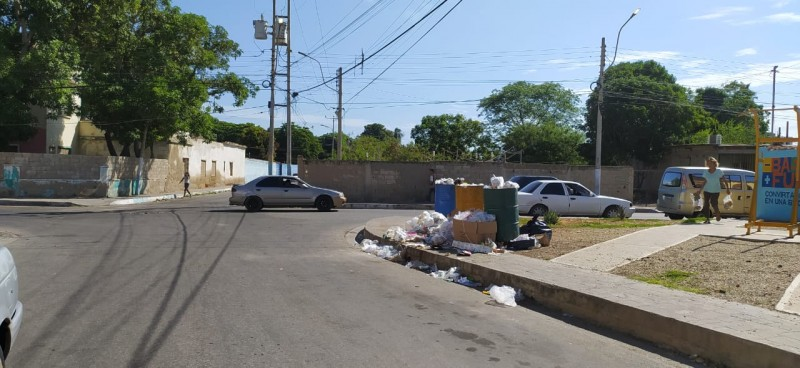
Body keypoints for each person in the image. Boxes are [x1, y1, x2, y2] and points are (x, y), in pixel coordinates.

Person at [695, 157, 730, 224]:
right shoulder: (705, 172)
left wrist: (727, 189)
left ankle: (717, 213)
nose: (708, 164)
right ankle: (707, 219)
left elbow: (724, 180)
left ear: (714, 164)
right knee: (706, 205)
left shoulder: (719, 171)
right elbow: (704, 181)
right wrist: (700, 190)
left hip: (715, 190)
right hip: (707, 190)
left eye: (710, 163)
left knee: (714, 203)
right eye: (707, 163)